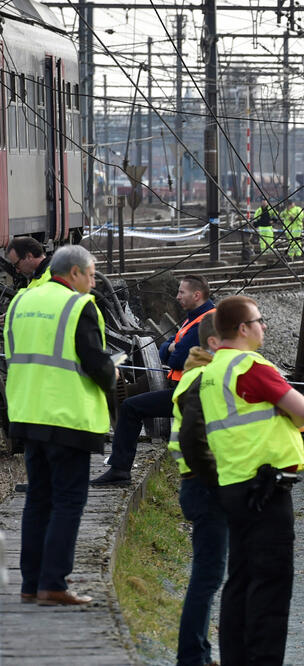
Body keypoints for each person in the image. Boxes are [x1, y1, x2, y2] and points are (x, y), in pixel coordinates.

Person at [180, 294, 304, 664]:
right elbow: (303, 411)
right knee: (270, 584)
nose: (263, 326)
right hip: (266, 488)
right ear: (242, 329)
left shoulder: (210, 372)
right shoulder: (251, 365)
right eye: (258, 321)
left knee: (239, 579)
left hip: (232, 485)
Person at [5, 245, 117, 605]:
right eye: (91, 274)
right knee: (68, 501)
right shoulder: (78, 306)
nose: (94, 281)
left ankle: (30, 584)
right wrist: (112, 373)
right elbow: (95, 362)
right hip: (67, 417)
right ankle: (53, 584)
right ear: (74, 273)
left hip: (28, 414)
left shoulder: (21, 302)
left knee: (37, 500)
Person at [92, 275, 215, 486]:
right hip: (188, 391)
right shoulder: (196, 317)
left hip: (194, 393)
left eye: (182, 292)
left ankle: (120, 470)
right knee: (132, 407)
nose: (177, 297)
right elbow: (165, 350)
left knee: (131, 407)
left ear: (197, 295)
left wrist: (172, 349)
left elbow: (177, 359)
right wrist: (171, 348)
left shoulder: (205, 322)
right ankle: (119, 469)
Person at [168, 312, 229, 666]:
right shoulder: (205, 378)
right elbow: (196, 438)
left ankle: (199, 652)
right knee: (207, 576)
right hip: (204, 485)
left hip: (195, 482)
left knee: (208, 575)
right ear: (214, 343)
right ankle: (192, 656)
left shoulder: (197, 373)